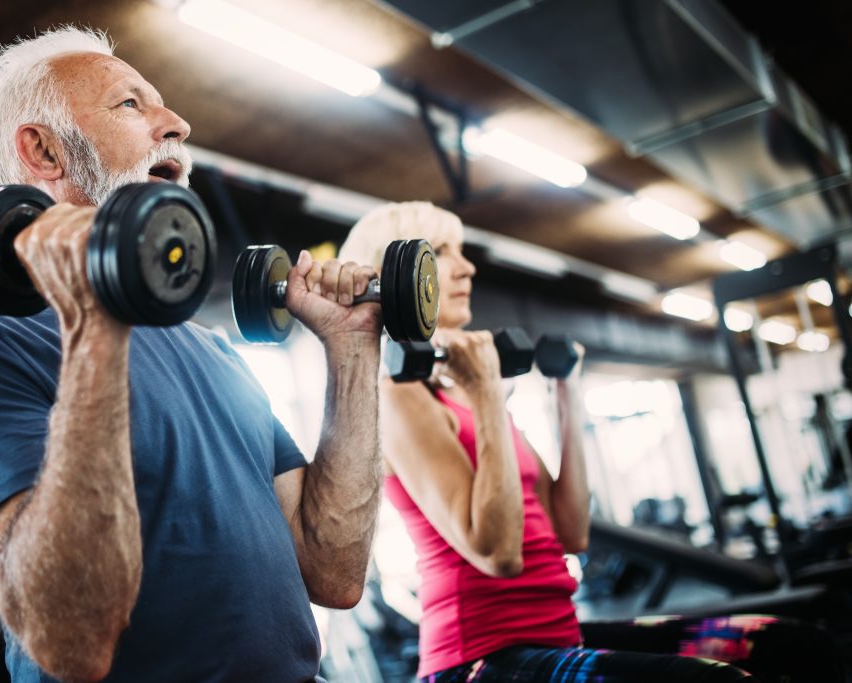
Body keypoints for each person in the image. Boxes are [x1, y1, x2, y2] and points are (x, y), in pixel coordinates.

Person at [0, 27, 386, 683]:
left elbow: (333, 571)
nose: (178, 123)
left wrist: (352, 349)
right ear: (44, 150)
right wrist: (95, 323)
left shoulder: (212, 349)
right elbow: (73, 640)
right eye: (130, 105)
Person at [339, 202, 846, 683]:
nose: (467, 268)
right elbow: (497, 554)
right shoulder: (401, 395)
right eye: (443, 252)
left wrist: (567, 394)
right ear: (400, 275)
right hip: (478, 659)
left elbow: (571, 532)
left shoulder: (470, 389)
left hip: (556, 632)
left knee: (790, 645)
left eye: (462, 250)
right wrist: (491, 394)